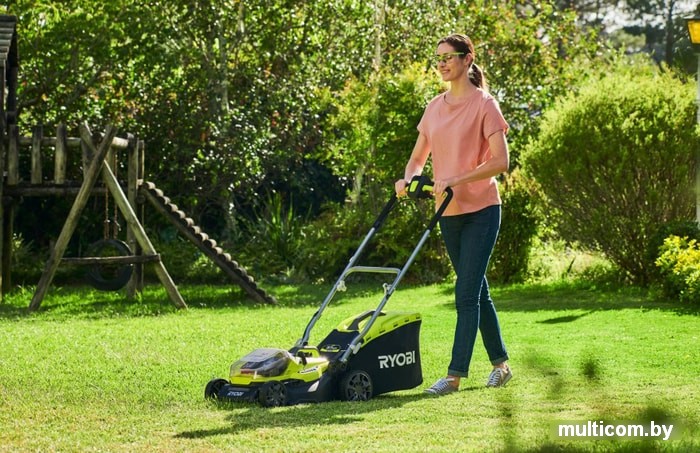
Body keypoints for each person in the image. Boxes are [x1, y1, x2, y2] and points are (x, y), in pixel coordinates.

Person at [394, 33, 512, 395]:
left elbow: (501, 162)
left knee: (465, 293)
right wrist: (408, 179)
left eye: (449, 57)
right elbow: (417, 158)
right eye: (439, 57)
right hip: (449, 212)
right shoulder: (434, 107)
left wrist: (456, 179)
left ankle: (454, 375)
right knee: (477, 290)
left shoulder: (485, 105)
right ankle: (502, 365)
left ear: (467, 59)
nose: (442, 63)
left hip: (482, 210)